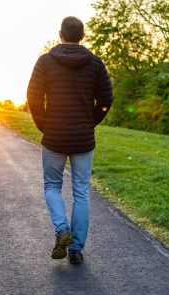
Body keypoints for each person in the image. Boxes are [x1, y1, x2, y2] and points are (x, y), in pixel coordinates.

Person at [27, 16, 113, 264]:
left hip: (54, 136)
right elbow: (106, 100)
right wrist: (90, 121)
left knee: (52, 186)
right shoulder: (95, 63)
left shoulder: (45, 62)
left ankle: (61, 229)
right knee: (81, 191)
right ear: (82, 36)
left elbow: (33, 97)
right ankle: (75, 249)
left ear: (60, 35)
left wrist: (44, 124)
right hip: (83, 138)